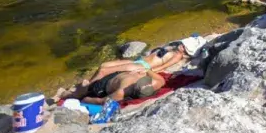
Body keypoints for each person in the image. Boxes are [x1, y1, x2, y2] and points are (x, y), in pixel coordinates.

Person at [53, 45, 186, 105]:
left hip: (103, 86)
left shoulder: (121, 92)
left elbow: (100, 101)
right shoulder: (157, 82)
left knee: (91, 84)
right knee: (104, 68)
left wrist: (84, 99)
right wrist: (146, 70)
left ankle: (71, 94)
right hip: (126, 73)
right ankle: (79, 89)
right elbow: (157, 75)